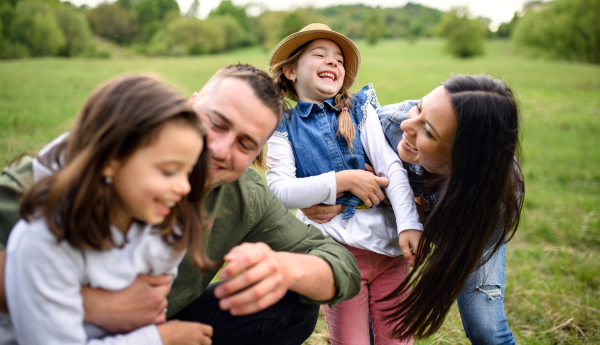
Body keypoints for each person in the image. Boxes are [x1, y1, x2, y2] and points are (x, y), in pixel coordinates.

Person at [0, 64, 361, 345]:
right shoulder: (99, 156)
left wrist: (283, 269)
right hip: (48, 323)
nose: (220, 149)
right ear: (189, 107)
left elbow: (343, 266)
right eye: (216, 123)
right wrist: (98, 306)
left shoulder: (242, 194)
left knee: (294, 304)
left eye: (245, 144)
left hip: (161, 328)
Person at [303, 75, 524, 344]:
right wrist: (318, 193)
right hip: (381, 249)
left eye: (428, 131)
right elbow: (313, 164)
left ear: (463, 158)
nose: (406, 124)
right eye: (419, 107)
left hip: (468, 222)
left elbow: (444, 250)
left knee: (485, 327)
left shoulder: (495, 200)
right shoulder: (384, 126)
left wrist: (405, 209)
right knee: (370, 323)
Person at [3, 74, 214, 344]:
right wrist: (159, 339)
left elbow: (146, 317)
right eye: (169, 171)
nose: (185, 187)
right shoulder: (44, 241)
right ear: (110, 160)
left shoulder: (164, 225)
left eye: (188, 172)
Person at [266, 23, 422, 345]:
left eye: (338, 59)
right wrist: (343, 180)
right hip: (335, 256)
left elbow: (390, 167)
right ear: (291, 70)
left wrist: (408, 223)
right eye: (320, 55)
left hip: (388, 250)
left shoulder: (360, 110)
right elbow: (280, 191)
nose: (333, 62)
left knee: (397, 339)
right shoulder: (285, 125)